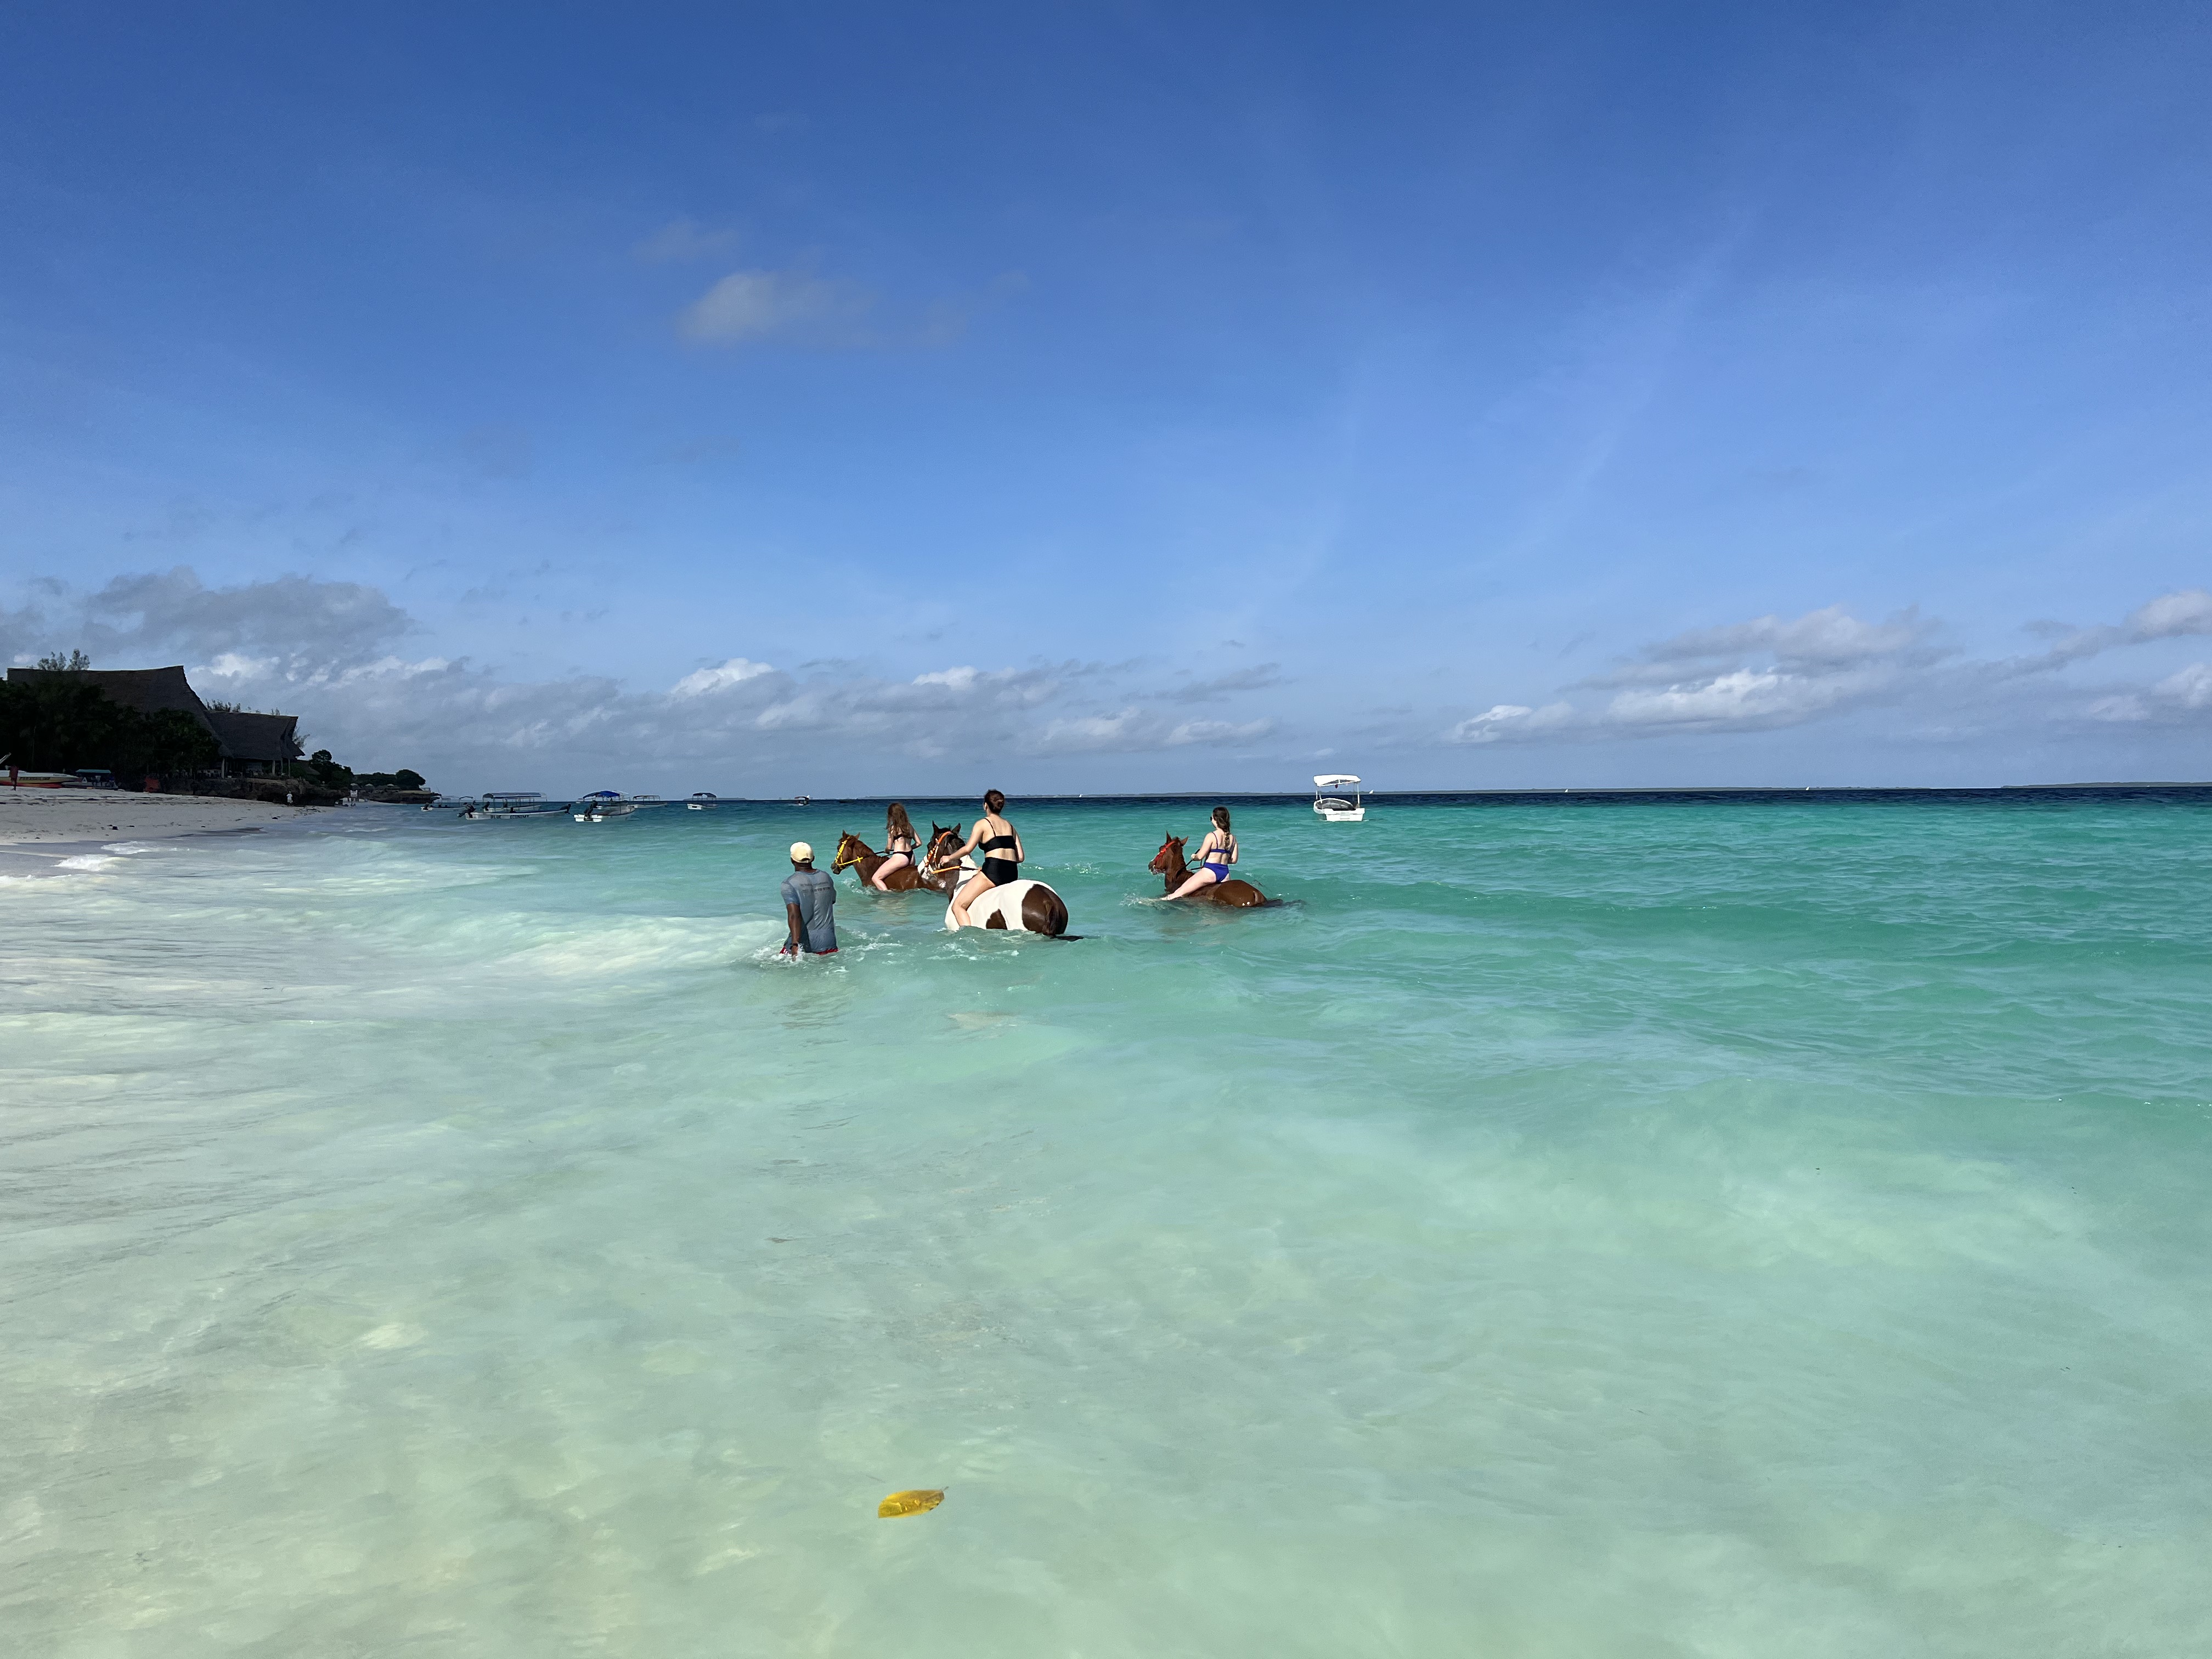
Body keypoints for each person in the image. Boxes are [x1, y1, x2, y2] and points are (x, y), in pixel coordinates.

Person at [936, 789, 1024, 928]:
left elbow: (968, 849)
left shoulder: (982, 824)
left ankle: (969, 937)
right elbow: (1020, 857)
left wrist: (948, 858)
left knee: (958, 906)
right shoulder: (1011, 827)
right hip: (1012, 873)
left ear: (985, 806)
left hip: (994, 872)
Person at [1164, 806, 1239, 899]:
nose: (1211, 820)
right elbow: (1234, 860)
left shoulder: (1211, 836)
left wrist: (1194, 857)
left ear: (1215, 819)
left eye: (1211, 818)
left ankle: (1163, 900)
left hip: (1210, 872)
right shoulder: (1233, 839)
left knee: (1179, 892)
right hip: (1225, 874)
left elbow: (1200, 857)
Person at [780, 841, 839, 956]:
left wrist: (795, 944)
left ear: (792, 860)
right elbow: (832, 900)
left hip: (804, 946)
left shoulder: (789, 884)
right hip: (829, 943)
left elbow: (794, 916)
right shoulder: (826, 877)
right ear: (813, 859)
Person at [870, 802, 922, 891]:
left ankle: (888, 896)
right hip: (911, 857)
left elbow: (889, 848)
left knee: (876, 878)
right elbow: (919, 843)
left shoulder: (893, 828)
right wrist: (909, 848)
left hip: (900, 858)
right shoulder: (909, 826)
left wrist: (886, 850)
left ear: (892, 816)